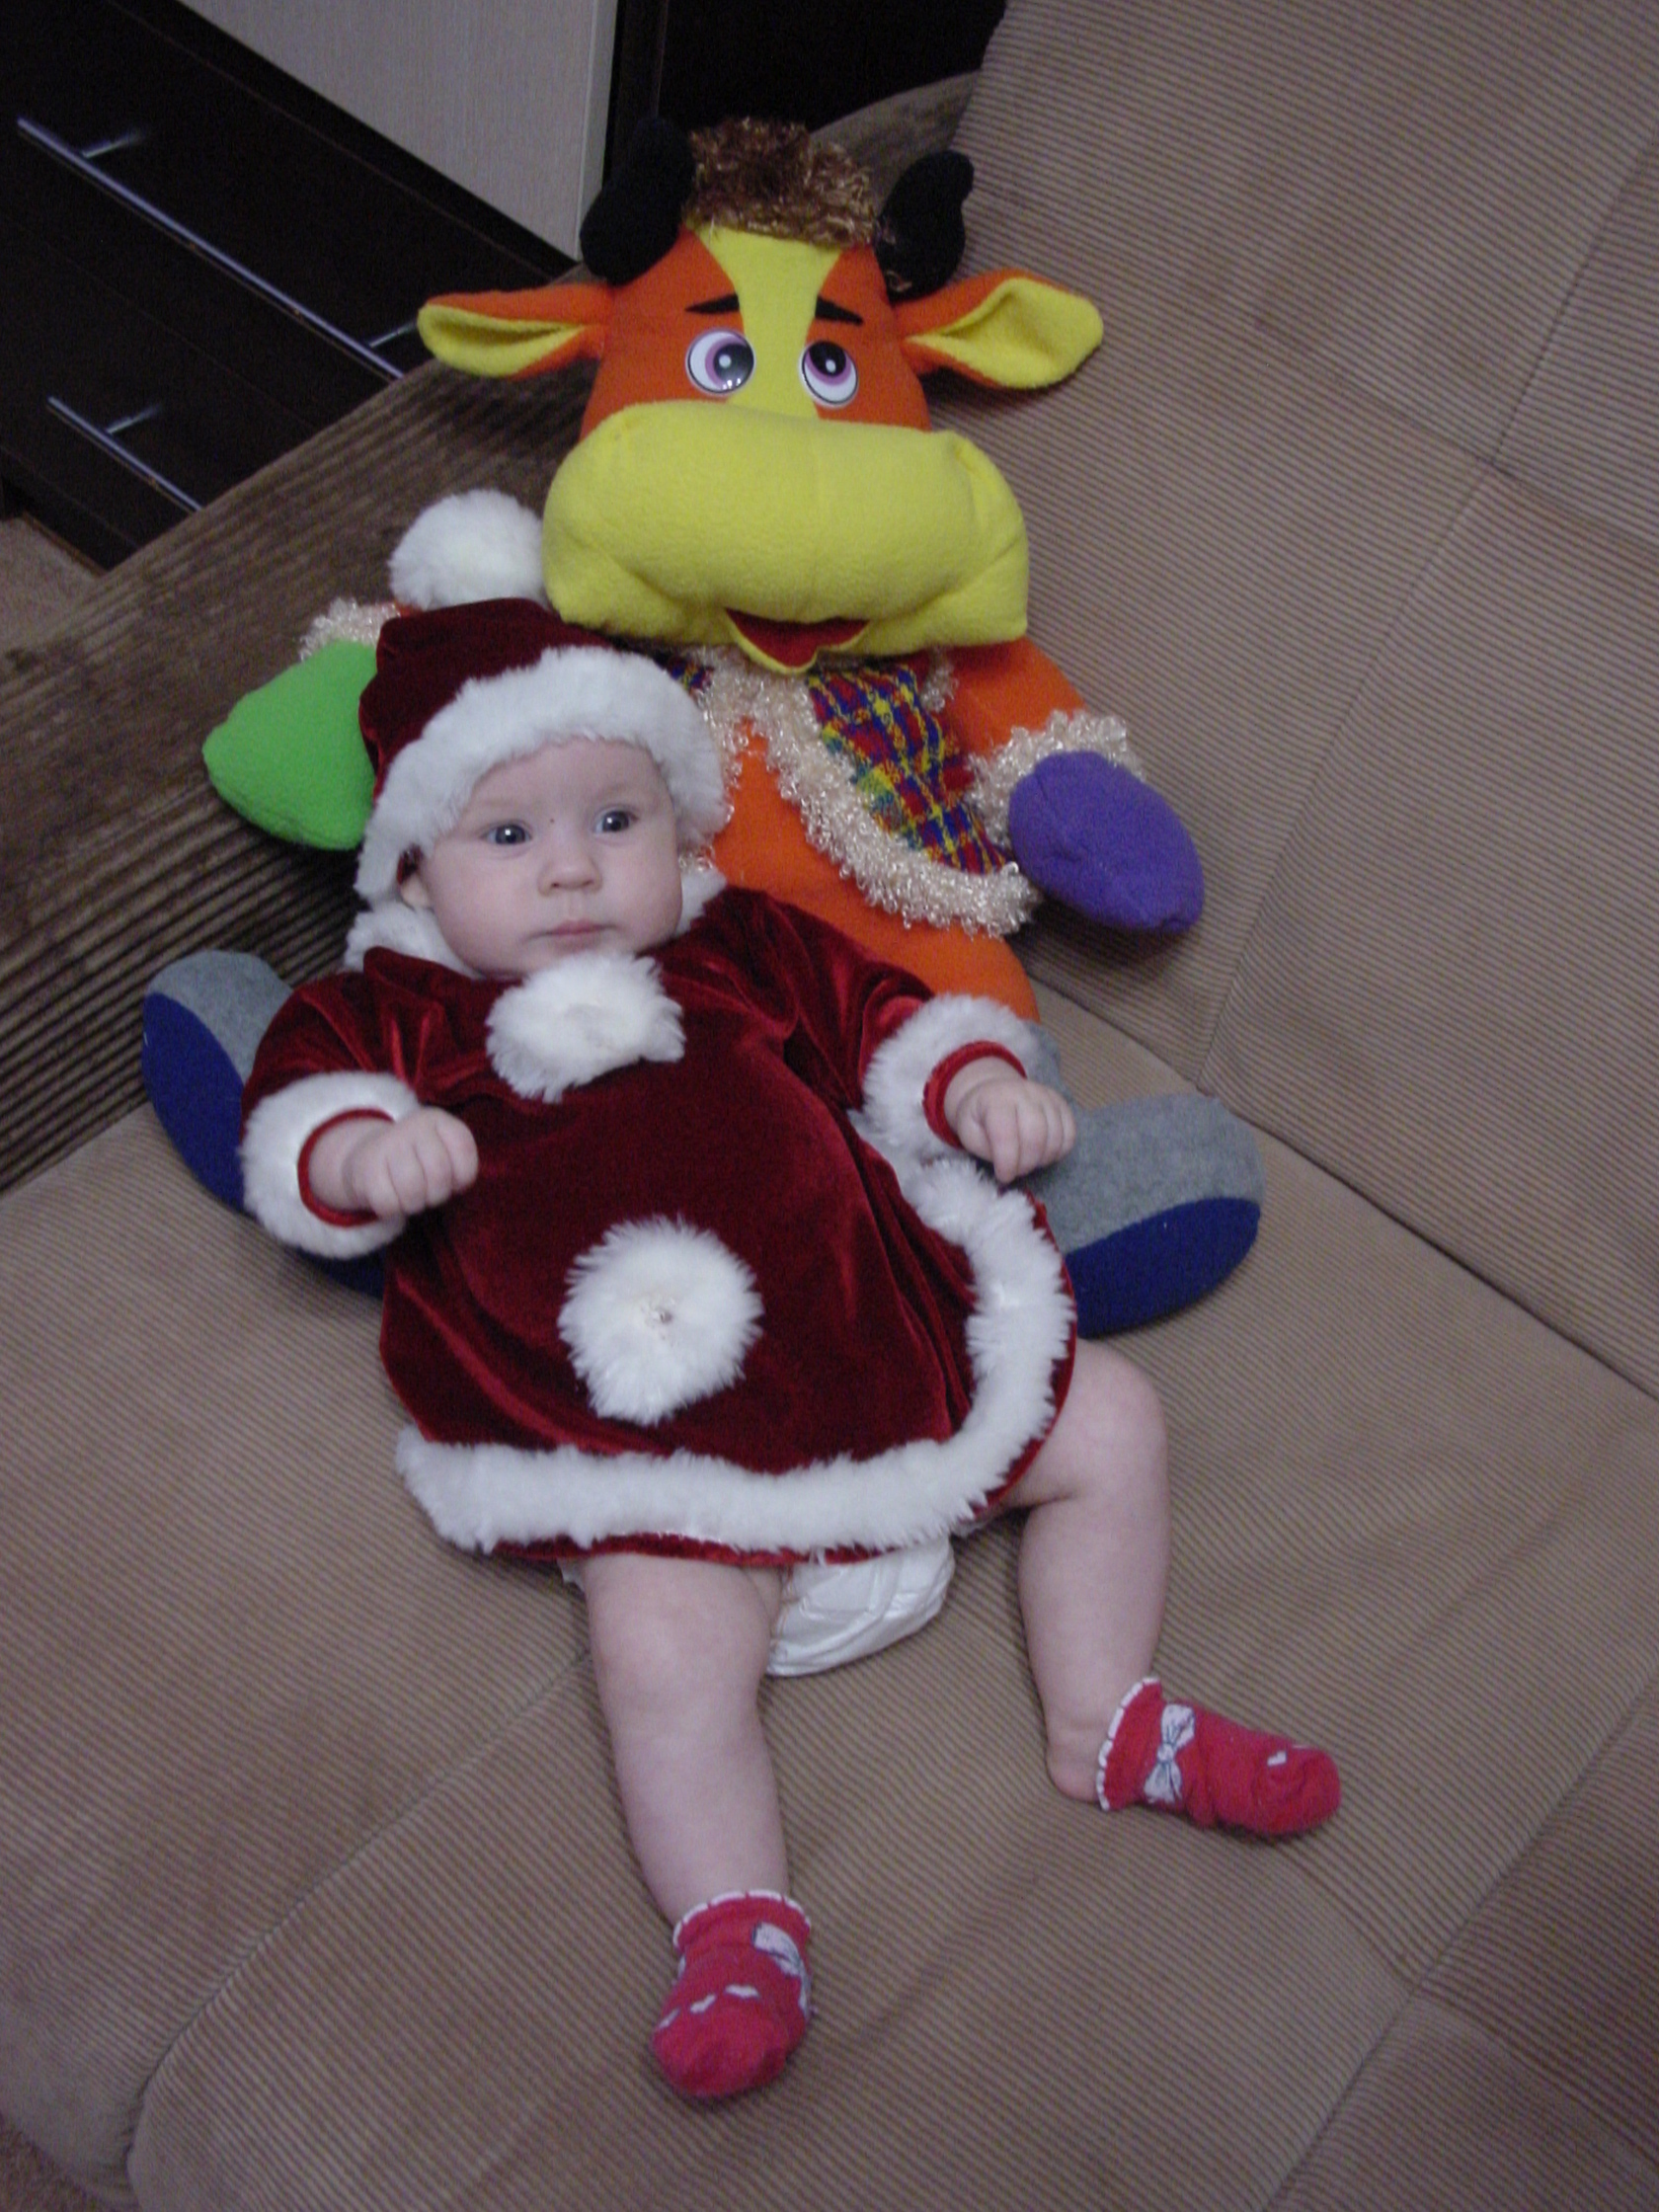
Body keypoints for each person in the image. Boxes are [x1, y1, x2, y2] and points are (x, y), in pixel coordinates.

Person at [240, 599, 1340, 2103]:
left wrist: (972, 1084)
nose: (572, 867)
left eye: (614, 818)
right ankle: (735, 1922)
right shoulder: (394, 1010)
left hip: (883, 1364)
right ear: (414, 866)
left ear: (674, 820)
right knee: (658, 1650)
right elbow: (298, 1112)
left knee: (1116, 1422)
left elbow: (885, 1015)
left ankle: (1108, 1714)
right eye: (507, 835)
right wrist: (363, 1157)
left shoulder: (740, 939)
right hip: (658, 1468)